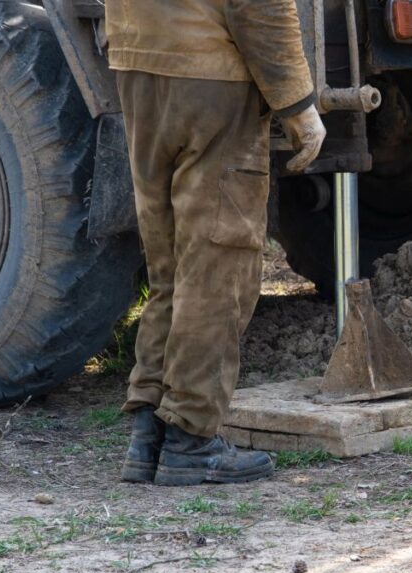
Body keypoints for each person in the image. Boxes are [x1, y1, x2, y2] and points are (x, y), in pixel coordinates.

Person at [105, 0, 326, 485]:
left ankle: (150, 432)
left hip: (136, 62)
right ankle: (191, 437)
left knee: (169, 264)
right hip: (210, 74)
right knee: (217, 265)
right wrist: (297, 101)